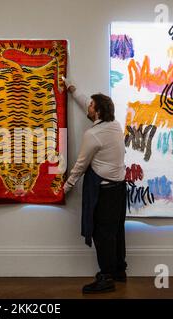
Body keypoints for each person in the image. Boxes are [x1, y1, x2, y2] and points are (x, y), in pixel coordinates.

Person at [62, 76, 127, 294]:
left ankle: (106, 278)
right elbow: (86, 107)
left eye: (91, 105)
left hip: (105, 192)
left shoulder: (93, 135)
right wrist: (73, 90)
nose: (87, 107)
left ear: (97, 111)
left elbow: (80, 166)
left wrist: (65, 187)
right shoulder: (115, 126)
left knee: (102, 235)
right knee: (116, 231)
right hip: (119, 189)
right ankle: (119, 271)